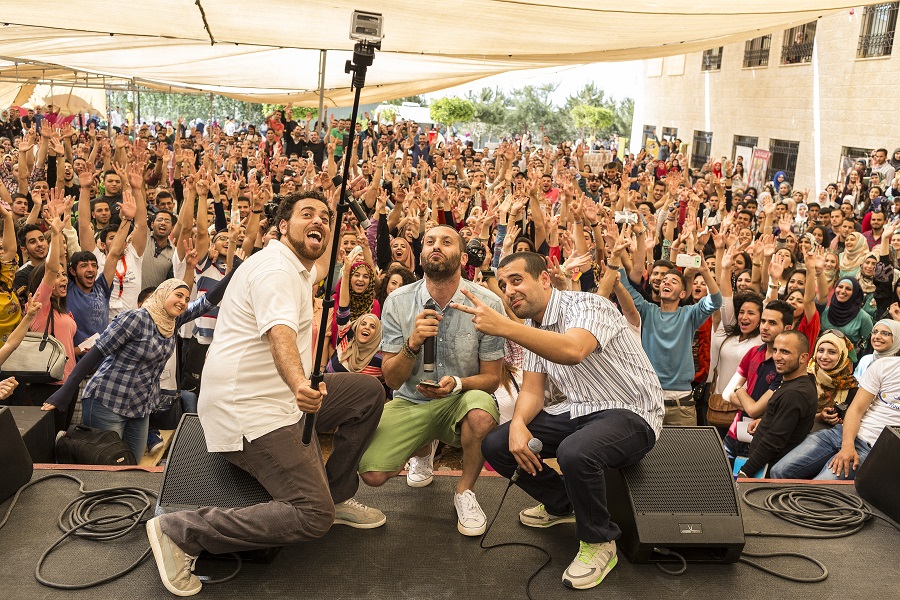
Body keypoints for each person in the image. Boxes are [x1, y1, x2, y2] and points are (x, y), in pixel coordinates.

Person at [144, 191, 386, 597]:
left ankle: (337, 493)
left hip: (278, 397)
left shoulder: (296, 266)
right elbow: (280, 334)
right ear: (282, 226)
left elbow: (322, 261)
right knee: (313, 515)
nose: (319, 221)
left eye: (324, 217)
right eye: (307, 214)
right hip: (249, 409)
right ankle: (180, 532)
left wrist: (342, 213)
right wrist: (300, 385)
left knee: (367, 392)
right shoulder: (276, 270)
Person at [457, 251, 663, 590]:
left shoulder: (588, 305)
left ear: (544, 279)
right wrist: (518, 424)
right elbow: (532, 391)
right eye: (504, 285)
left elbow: (573, 350)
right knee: (496, 443)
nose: (509, 291)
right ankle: (563, 504)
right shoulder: (532, 327)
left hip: (632, 411)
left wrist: (505, 326)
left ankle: (599, 541)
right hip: (578, 409)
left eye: (517, 280)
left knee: (575, 451)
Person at [357, 225, 506, 538]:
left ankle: (465, 491)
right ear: (421, 253)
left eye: (446, 241)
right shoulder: (397, 302)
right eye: (429, 241)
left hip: (461, 399)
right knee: (371, 473)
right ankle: (423, 451)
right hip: (411, 400)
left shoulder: (487, 303)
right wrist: (412, 344)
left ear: (463, 257)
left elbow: (492, 379)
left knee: (481, 415)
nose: (436, 246)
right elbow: (391, 378)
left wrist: (458, 383)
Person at [769, 354, 900, 480]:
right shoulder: (885, 366)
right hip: (842, 433)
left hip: (871, 449)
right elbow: (856, 409)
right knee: (778, 472)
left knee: (817, 488)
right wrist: (847, 445)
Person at [736, 331, 817, 477]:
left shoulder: (794, 393)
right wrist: (766, 420)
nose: (777, 357)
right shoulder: (796, 384)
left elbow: (773, 442)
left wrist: (745, 472)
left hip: (766, 473)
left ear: (803, 358)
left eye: (785, 352)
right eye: (775, 350)